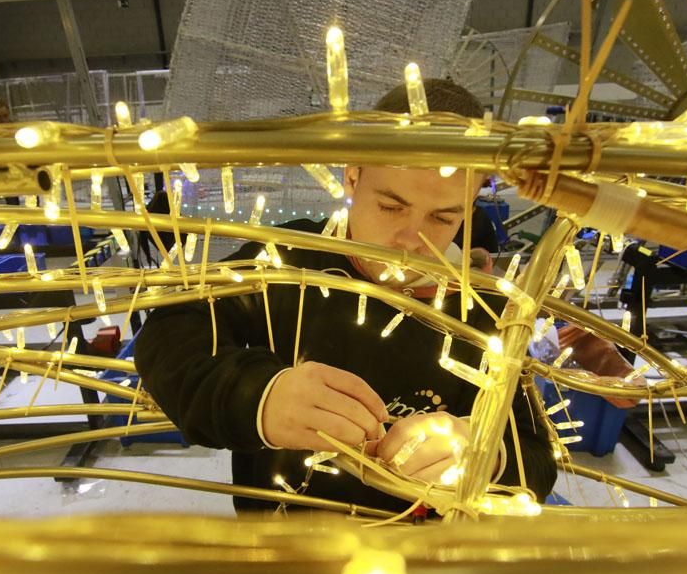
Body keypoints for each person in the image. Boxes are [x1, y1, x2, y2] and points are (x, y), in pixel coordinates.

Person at [136, 79, 560, 515]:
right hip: (279, 547)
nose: (411, 241)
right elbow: (167, 336)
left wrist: (489, 457)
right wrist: (258, 396)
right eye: (391, 206)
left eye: (442, 217)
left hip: (419, 557)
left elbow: (539, 461)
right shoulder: (285, 259)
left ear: (469, 207)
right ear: (352, 177)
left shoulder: (487, 309)